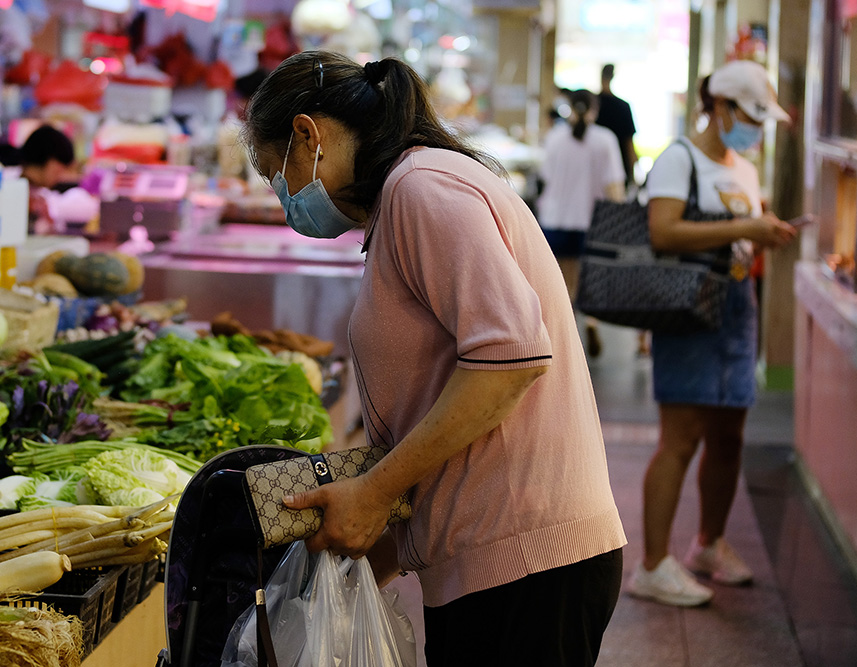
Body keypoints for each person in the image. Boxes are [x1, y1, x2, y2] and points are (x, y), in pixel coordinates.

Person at [243, 51, 627, 666]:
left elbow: (511, 355)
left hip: (525, 561)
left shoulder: (422, 189)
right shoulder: (406, 199)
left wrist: (375, 491)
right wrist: (384, 540)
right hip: (494, 561)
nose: (283, 195)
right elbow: (440, 388)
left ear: (308, 135)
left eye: (273, 173)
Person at [626, 59, 796, 607]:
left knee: (729, 436)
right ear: (719, 107)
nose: (755, 128)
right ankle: (651, 566)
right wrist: (747, 226)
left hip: (737, 309)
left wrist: (760, 231)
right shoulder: (679, 159)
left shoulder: (741, 166)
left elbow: (733, 236)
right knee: (682, 439)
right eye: (749, 115)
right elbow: (664, 231)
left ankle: (709, 544)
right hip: (690, 314)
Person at [537, 89, 626, 357]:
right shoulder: (605, 139)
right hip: (591, 222)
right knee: (591, 281)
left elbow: (545, 177)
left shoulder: (554, 138)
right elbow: (614, 186)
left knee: (564, 286)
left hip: (555, 220)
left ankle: (565, 338)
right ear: (594, 110)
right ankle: (590, 322)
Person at [595, 64, 638, 188]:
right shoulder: (622, 107)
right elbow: (629, 144)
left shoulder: (594, 104)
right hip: (618, 168)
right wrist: (633, 177)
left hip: (594, 167)